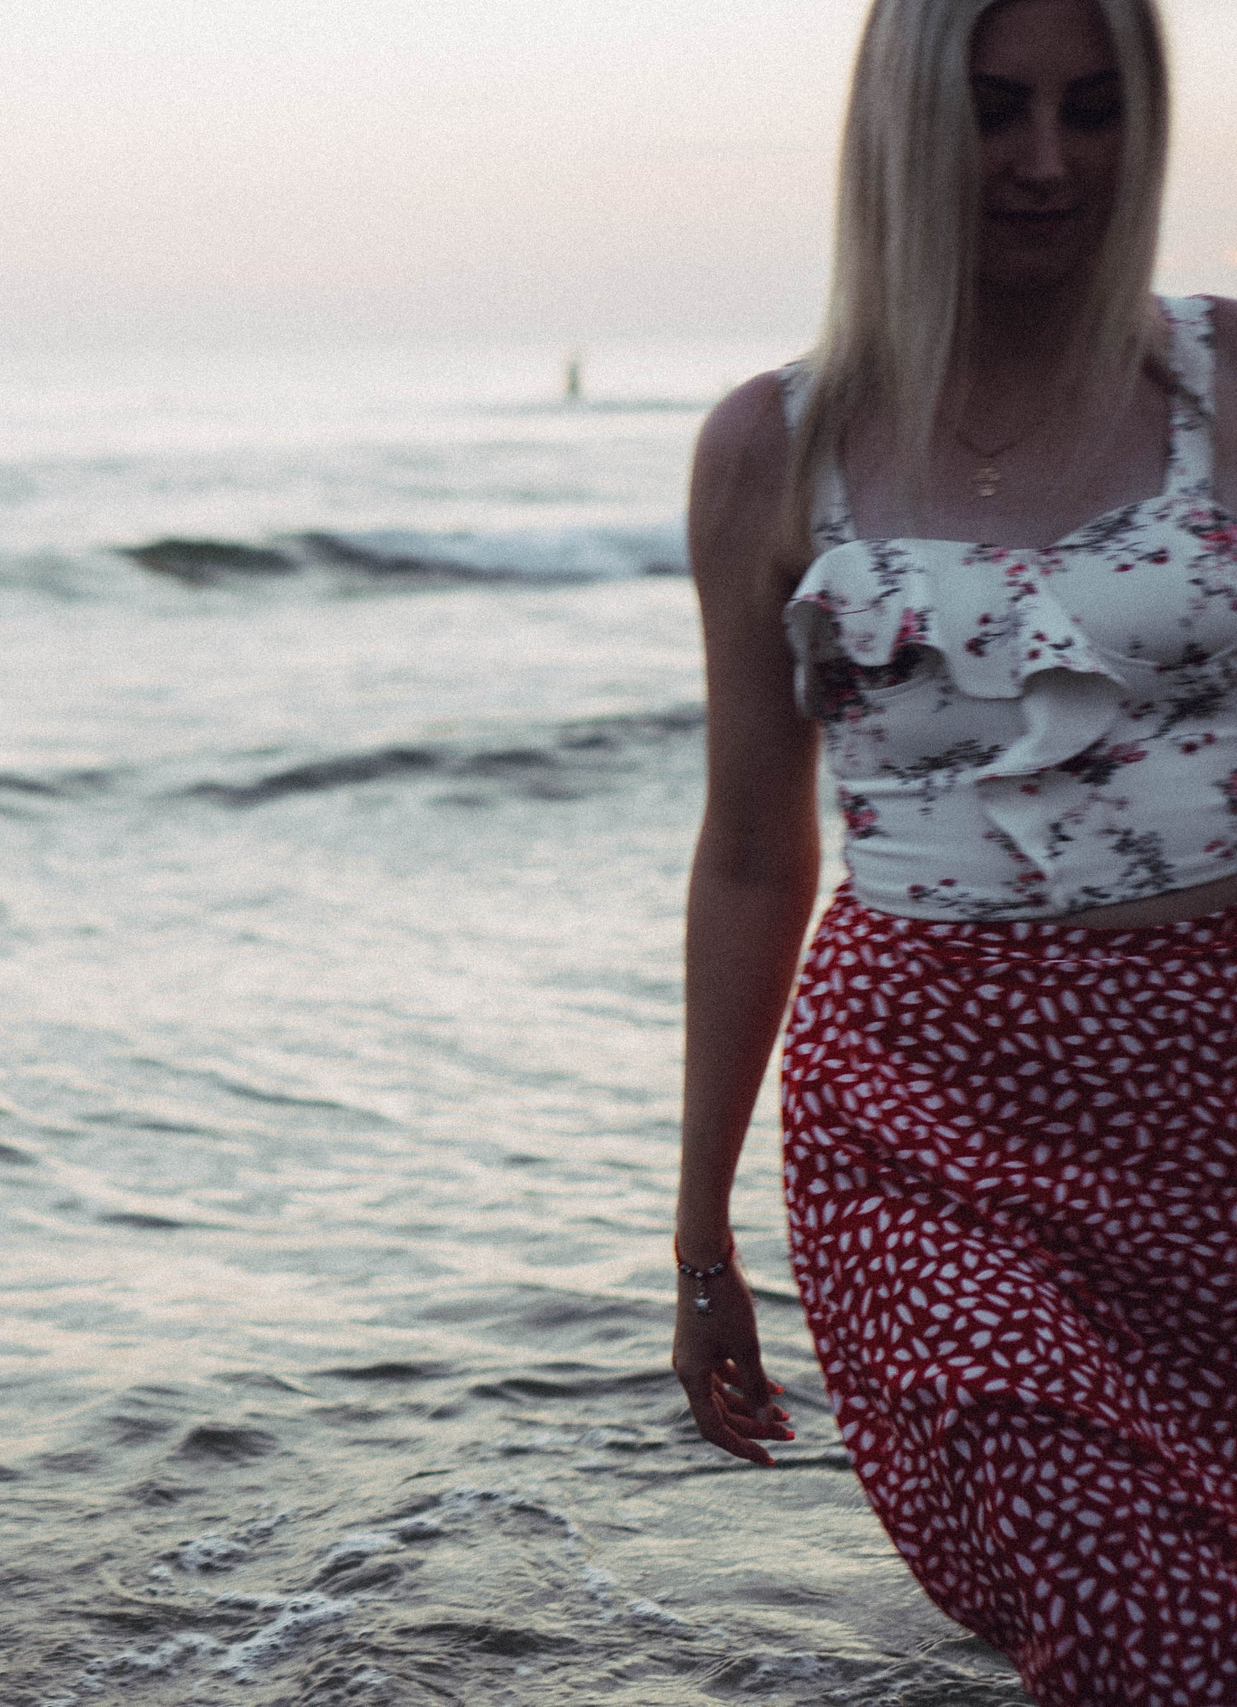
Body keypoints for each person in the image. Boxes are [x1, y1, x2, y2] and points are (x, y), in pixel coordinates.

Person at [674, 0, 1237, 1696]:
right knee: (1154, 1629)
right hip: (923, 1116)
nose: (1049, 161)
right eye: (995, 110)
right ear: (903, 126)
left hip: (1214, 1098)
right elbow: (753, 851)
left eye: (1094, 110)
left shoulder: (1224, 380)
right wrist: (703, 1239)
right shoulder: (774, 447)